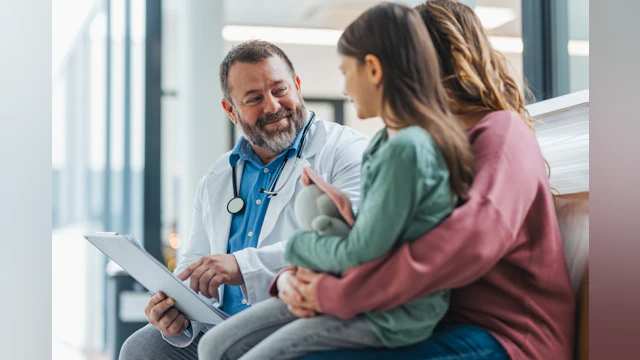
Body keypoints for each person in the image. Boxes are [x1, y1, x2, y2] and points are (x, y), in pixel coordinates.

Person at [275, 1, 576, 359]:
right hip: (430, 318)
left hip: (506, 335)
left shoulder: (502, 133)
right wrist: (294, 276)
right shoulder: (424, 142)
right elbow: (394, 239)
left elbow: (468, 243)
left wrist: (337, 294)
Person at [196, 3, 475, 360]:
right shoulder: (385, 143)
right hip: (356, 289)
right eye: (253, 99)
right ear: (231, 109)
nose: (343, 88)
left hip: (387, 311)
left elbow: (363, 248)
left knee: (239, 352)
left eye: (346, 72)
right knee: (212, 344)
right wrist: (339, 216)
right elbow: (375, 230)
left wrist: (299, 248)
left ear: (373, 70)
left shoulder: (404, 148)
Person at [118, 40, 369, 359]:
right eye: (254, 98)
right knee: (142, 348)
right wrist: (175, 311)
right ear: (230, 110)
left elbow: (347, 241)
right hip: (218, 320)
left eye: (280, 90)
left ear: (298, 86)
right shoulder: (219, 175)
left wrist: (243, 266)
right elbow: (195, 258)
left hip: (294, 312)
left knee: (220, 347)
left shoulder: (345, 151)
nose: (273, 106)